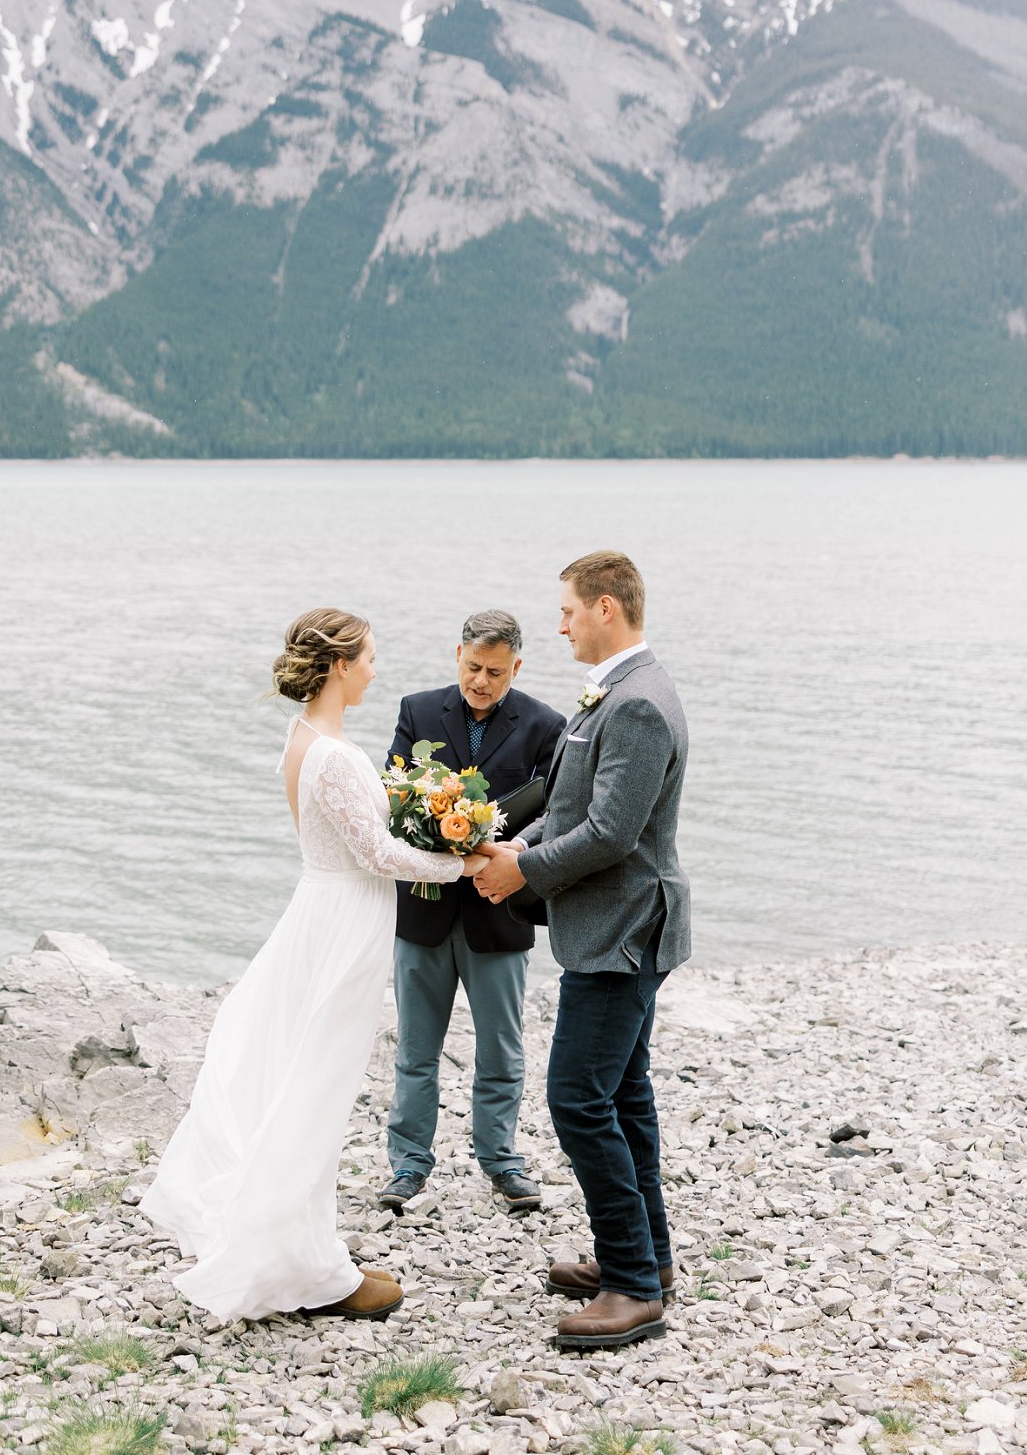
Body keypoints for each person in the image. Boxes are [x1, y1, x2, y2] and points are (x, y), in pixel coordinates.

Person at [140, 609, 488, 1324]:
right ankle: (309, 1267)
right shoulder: (333, 754)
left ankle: (305, 1239)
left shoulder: (303, 738)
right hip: (343, 927)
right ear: (337, 666)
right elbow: (380, 855)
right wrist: (464, 860)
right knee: (317, 1089)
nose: (372, 669)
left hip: (323, 913)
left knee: (306, 1079)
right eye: (366, 657)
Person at [474, 552, 691, 1352]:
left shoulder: (636, 703)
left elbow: (610, 833)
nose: (558, 623)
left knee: (577, 1097)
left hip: (624, 930)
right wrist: (502, 842)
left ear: (606, 607)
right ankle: (649, 1259)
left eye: (567, 610)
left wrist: (520, 870)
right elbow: (571, 802)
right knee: (623, 1093)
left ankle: (632, 1284)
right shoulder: (620, 688)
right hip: (613, 926)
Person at [379, 610, 565, 1216]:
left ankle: (501, 1159)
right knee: (415, 1048)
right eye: (471, 668)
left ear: (517, 666)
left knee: (502, 1049)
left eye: (494, 672)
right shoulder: (417, 709)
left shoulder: (546, 724)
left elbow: (554, 812)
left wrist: (517, 848)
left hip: (499, 908)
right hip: (423, 909)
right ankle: (407, 1164)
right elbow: (395, 791)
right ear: (456, 655)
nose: (480, 682)